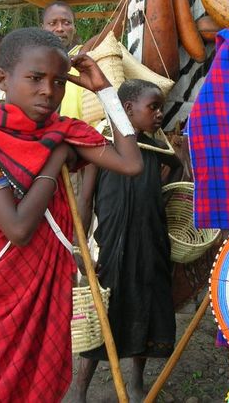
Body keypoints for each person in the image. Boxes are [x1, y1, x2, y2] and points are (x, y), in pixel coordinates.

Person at [0, 27, 143, 402]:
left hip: (38, 302)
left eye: (59, 82)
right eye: (35, 78)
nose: (48, 91)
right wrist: (56, 156)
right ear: (2, 78)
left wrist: (105, 91)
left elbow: (131, 162)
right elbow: (18, 228)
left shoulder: (61, 130)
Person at [75, 79, 181, 403]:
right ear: (127, 110)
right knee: (102, 315)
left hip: (150, 244)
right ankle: (80, 391)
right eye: (153, 108)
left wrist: (160, 194)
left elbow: (177, 167)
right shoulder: (103, 146)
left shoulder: (153, 146)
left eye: (160, 108)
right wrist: (79, 246)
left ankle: (136, 382)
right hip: (113, 247)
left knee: (145, 310)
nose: (159, 113)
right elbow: (85, 198)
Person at [41, 0, 149, 120]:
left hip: (77, 141)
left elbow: (121, 16)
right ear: (42, 28)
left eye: (66, 23)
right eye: (53, 23)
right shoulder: (30, 60)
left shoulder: (81, 55)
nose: (60, 28)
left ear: (74, 28)